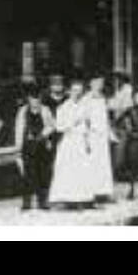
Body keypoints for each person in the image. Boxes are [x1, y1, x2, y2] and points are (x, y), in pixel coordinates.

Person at [49, 78, 95, 208]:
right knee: (69, 170)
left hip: (80, 140)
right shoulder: (63, 108)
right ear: (69, 92)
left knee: (82, 169)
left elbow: (86, 126)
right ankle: (68, 199)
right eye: (74, 91)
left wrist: (87, 143)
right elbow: (59, 127)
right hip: (69, 141)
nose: (77, 94)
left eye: (79, 91)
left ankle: (83, 199)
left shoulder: (83, 107)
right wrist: (73, 122)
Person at [14, 90, 55, 211]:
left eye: (37, 100)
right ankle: (26, 202)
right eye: (32, 100)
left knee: (42, 174)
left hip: (41, 146)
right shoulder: (22, 111)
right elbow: (19, 129)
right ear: (29, 99)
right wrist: (18, 147)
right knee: (28, 174)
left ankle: (42, 201)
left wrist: (42, 134)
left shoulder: (45, 110)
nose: (35, 102)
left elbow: (52, 125)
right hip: (28, 146)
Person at [85, 73, 114, 202]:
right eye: (97, 82)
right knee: (93, 164)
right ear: (91, 83)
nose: (99, 85)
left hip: (102, 135)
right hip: (93, 134)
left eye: (101, 83)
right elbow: (85, 119)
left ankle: (104, 192)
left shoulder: (103, 98)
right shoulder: (86, 99)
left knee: (104, 164)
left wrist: (110, 133)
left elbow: (105, 118)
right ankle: (93, 193)